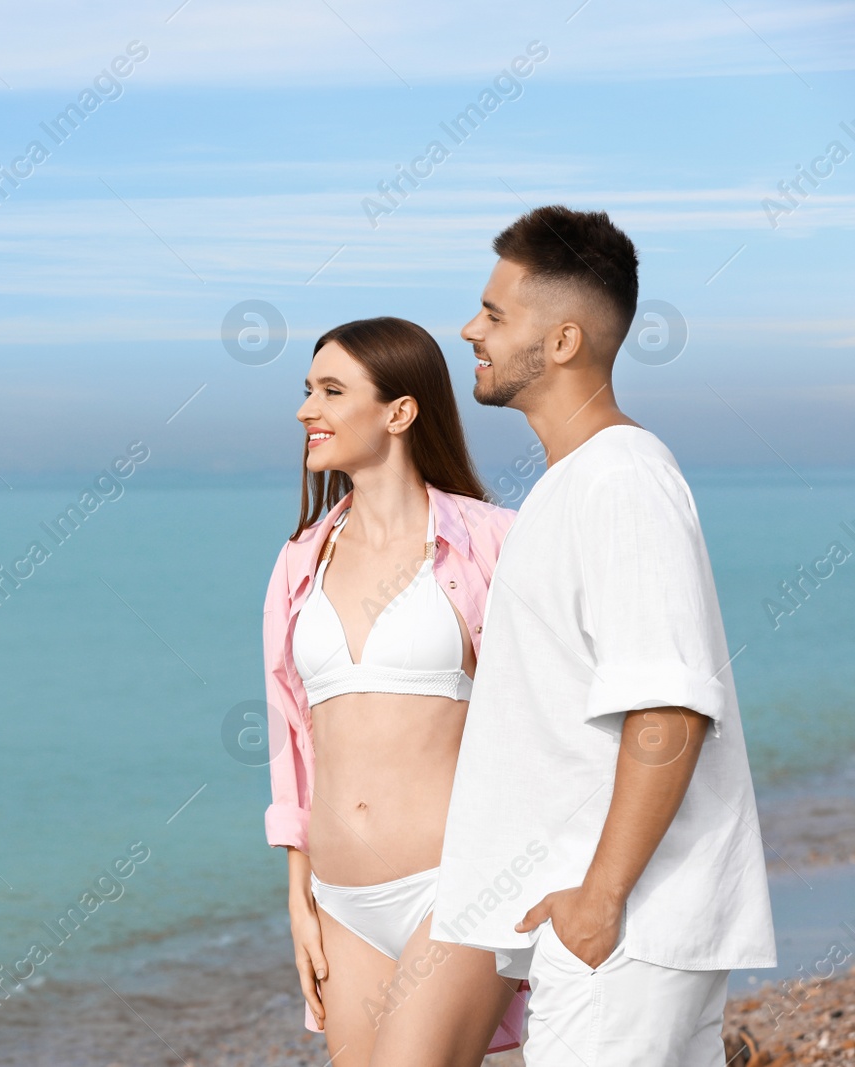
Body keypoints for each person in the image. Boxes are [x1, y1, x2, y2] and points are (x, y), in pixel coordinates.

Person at [433, 205, 776, 1065]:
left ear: (562, 342)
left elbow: (669, 707)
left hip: (623, 929)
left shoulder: (620, 481)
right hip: (616, 930)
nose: (470, 330)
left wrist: (600, 895)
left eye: (496, 314)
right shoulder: (568, 485)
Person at [262, 317, 527, 1066]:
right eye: (308, 390)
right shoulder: (298, 562)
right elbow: (291, 738)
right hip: (342, 902)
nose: (306, 410)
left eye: (332, 391)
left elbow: (548, 712)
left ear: (399, 411)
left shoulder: (494, 541)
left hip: (460, 884)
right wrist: (299, 898)